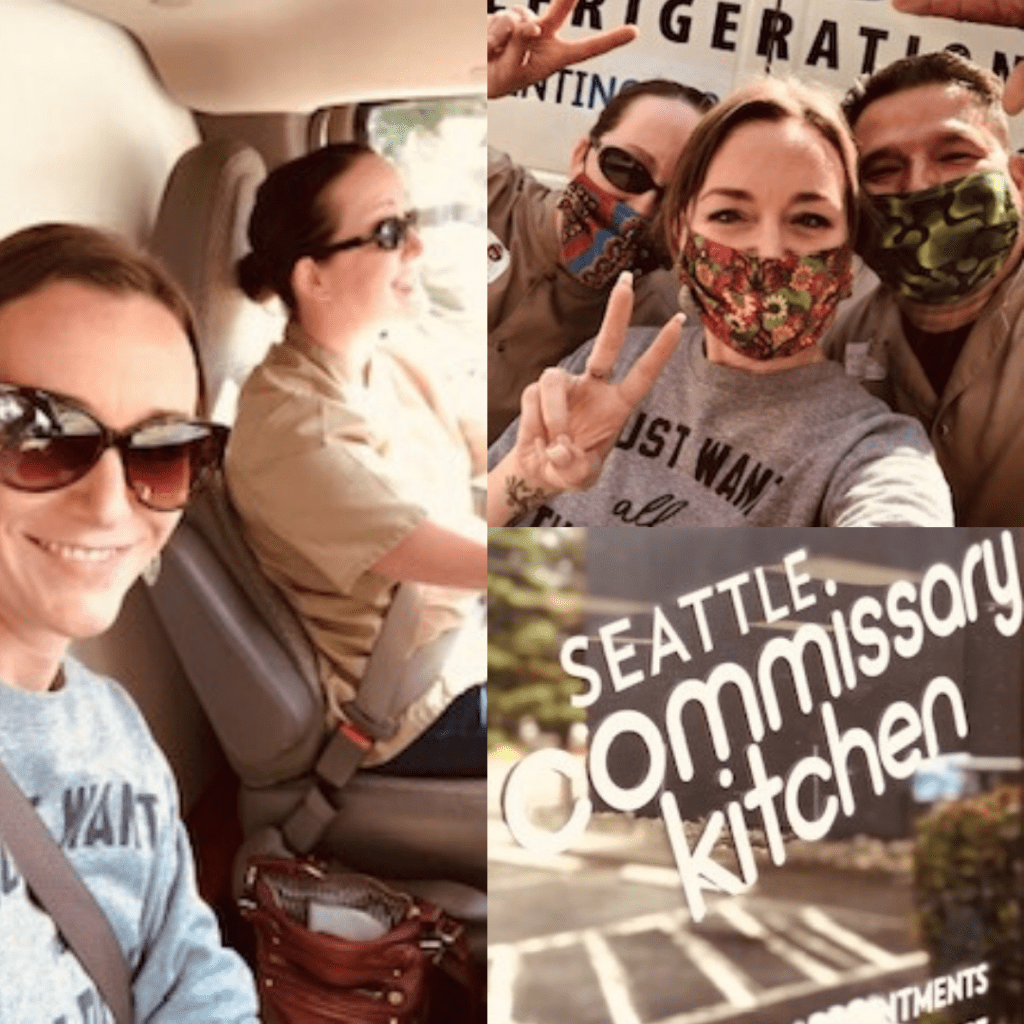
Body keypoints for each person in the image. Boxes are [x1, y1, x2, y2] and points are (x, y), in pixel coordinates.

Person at [487, 76, 955, 528]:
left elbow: (901, 537)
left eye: (809, 220)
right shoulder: (610, 360)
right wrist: (522, 479)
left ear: (849, 251)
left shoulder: (868, 447)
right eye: (730, 214)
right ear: (680, 236)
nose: (770, 250)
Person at [0, 223, 257, 1021]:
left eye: (161, 450)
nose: (111, 503)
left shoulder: (114, 727)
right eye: (36, 433)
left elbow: (189, 966)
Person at [226, 143, 486, 778]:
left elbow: (502, 466)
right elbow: (469, 561)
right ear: (313, 277)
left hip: (473, 652)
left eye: (412, 223)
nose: (417, 249)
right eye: (390, 232)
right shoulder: (294, 432)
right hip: (423, 710)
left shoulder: (394, 359)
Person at [487, 0, 714, 442]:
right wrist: (477, 80)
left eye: (676, 197)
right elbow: (387, 134)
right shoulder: (487, 188)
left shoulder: (664, 329)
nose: (644, 208)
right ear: (581, 156)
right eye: (627, 168)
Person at [823, 51, 1024, 525]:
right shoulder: (834, 336)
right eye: (883, 169)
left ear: (1018, 179)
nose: (920, 184)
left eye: (955, 156)